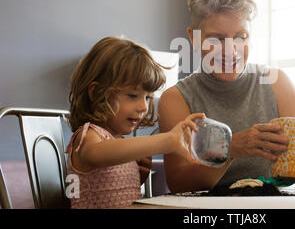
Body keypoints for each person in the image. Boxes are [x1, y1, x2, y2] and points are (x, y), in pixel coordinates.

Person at [158, 0, 295, 193]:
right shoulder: (176, 99)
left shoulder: (275, 83)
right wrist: (229, 149)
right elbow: (179, 183)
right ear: (193, 37)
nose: (231, 51)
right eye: (217, 39)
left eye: (241, 37)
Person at [65, 36, 203, 208]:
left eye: (148, 97)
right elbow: (95, 154)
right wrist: (167, 141)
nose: (143, 107)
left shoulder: (118, 141)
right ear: (95, 92)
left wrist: (137, 176)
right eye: (132, 96)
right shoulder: (88, 136)